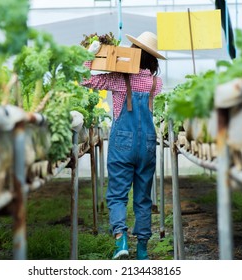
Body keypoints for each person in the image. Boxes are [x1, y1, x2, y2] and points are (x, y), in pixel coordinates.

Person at [81, 31, 166, 260]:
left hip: (122, 143)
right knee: (143, 198)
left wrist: (91, 56)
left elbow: (86, 79)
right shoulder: (156, 83)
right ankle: (143, 250)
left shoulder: (120, 79)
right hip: (147, 145)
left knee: (118, 195)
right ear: (153, 59)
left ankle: (121, 241)